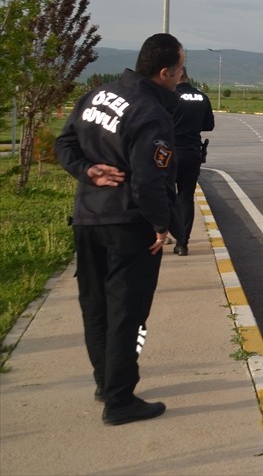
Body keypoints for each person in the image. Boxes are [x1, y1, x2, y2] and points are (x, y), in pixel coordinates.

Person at [55, 33, 184, 426]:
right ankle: (121, 399)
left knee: (95, 307)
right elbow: (148, 180)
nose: (181, 77)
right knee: (128, 313)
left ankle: (105, 383)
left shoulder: (98, 94)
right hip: (129, 223)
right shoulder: (150, 111)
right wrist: (161, 225)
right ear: (163, 72)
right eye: (180, 70)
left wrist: (85, 170)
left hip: (88, 218)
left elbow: (65, 142)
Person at [170, 69, 214, 256]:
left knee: (164, 195)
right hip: (191, 152)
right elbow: (209, 125)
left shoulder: (169, 96)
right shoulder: (201, 97)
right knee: (186, 197)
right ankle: (182, 243)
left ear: (176, 75)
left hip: (168, 153)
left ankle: (161, 233)